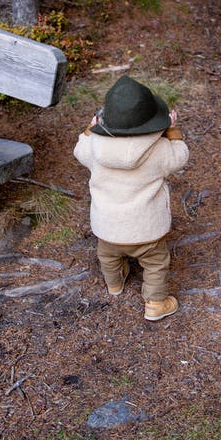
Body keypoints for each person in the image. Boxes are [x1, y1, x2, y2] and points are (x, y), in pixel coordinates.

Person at [73, 74, 189, 322]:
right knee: (156, 263)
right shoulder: (159, 150)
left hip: (107, 228)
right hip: (147, 229)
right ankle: (156, 303)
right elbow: (180, 156)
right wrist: (173, 131)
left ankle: (114, 285)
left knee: (107, 256)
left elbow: (79, 149)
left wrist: (89, 128)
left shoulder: (93, 147)